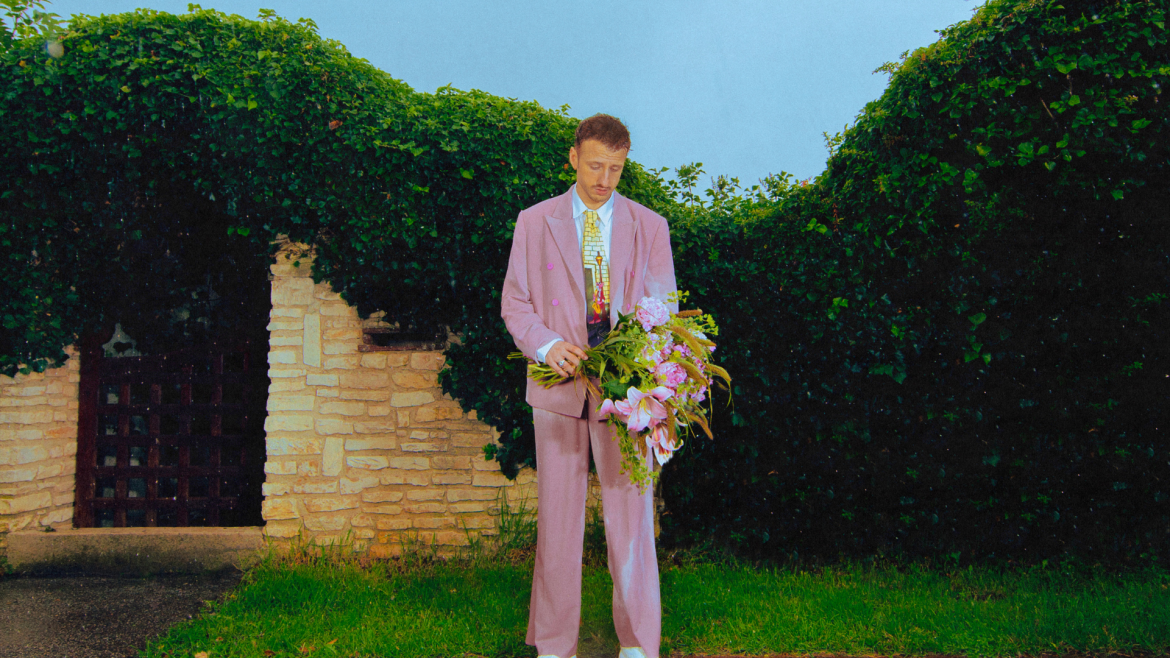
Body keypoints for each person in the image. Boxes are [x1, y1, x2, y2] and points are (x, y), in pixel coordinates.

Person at [501, 114, 677, 658]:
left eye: (616, 169)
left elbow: (664, 311)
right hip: (557, 389)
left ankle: (638, 645)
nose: (604, 179)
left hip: (626, 396)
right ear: (574, 157)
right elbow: (515, 303)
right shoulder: (534, 221)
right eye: (596, 165)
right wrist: (548, 346)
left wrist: (645, 377)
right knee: (557, 523)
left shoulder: (651, 226)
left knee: (632, 520)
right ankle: (555, 646)